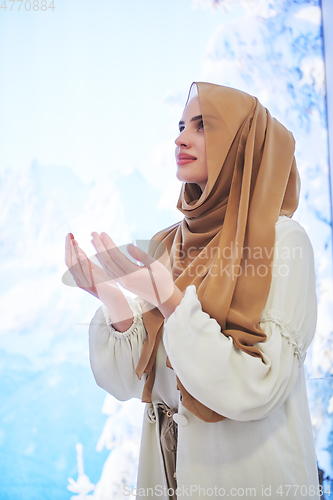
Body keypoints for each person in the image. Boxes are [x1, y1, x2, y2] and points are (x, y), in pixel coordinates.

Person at [65, 82, 320, 500]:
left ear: (242, 144)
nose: (181, 137)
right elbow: (134, 382)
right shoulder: (173, 245)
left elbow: (257, 386)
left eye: (204, 127)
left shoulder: (283, 241)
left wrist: (169, 300)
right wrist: (111, 297)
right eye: (183, 125)